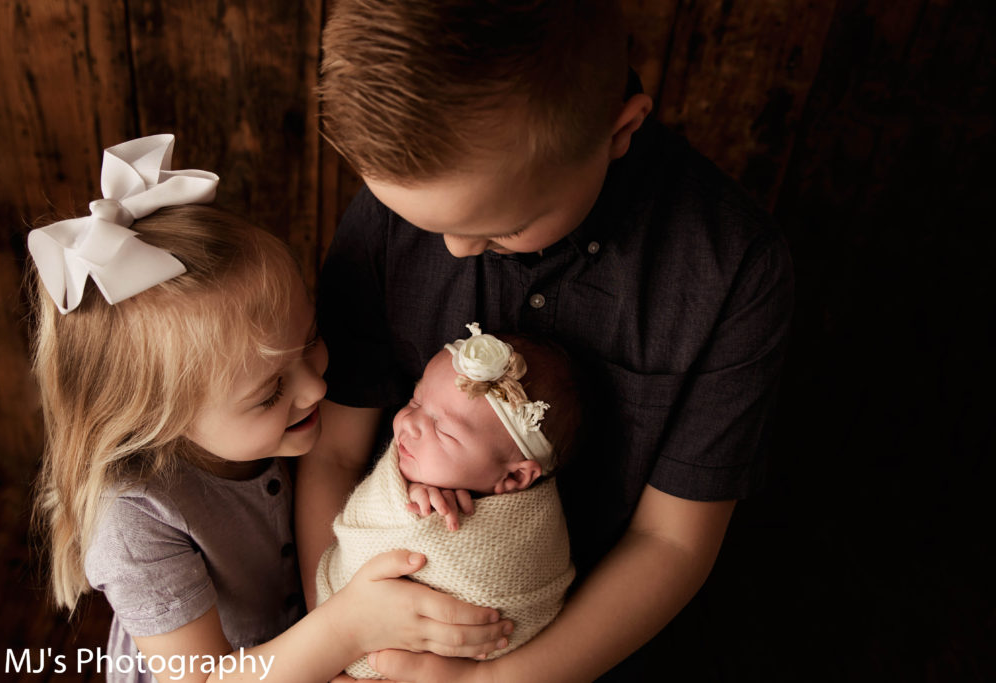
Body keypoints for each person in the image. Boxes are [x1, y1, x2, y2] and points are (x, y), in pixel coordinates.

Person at [298, 2, 794, 681]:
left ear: (619, 131)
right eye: (418, 220)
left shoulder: (730, 267)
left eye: (500, 229)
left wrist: (485, 681)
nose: (452, 247)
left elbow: (671, 542)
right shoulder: (388, 219)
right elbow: (333, 450)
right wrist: (335, 631)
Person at [28, 135, 512, 683]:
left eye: (310, 341)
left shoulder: (287, 426)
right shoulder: (134, 519)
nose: (313, 389)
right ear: (155, 423)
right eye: (268, 392)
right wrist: (348, 627)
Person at [316, 324, 580, 679]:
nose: (409, 422)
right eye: (415, 400)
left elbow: (516, 595)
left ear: (514, 478)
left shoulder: (530, 530)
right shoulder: (410, 474)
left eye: (443, 429)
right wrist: (403, 498)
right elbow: (361, 528)